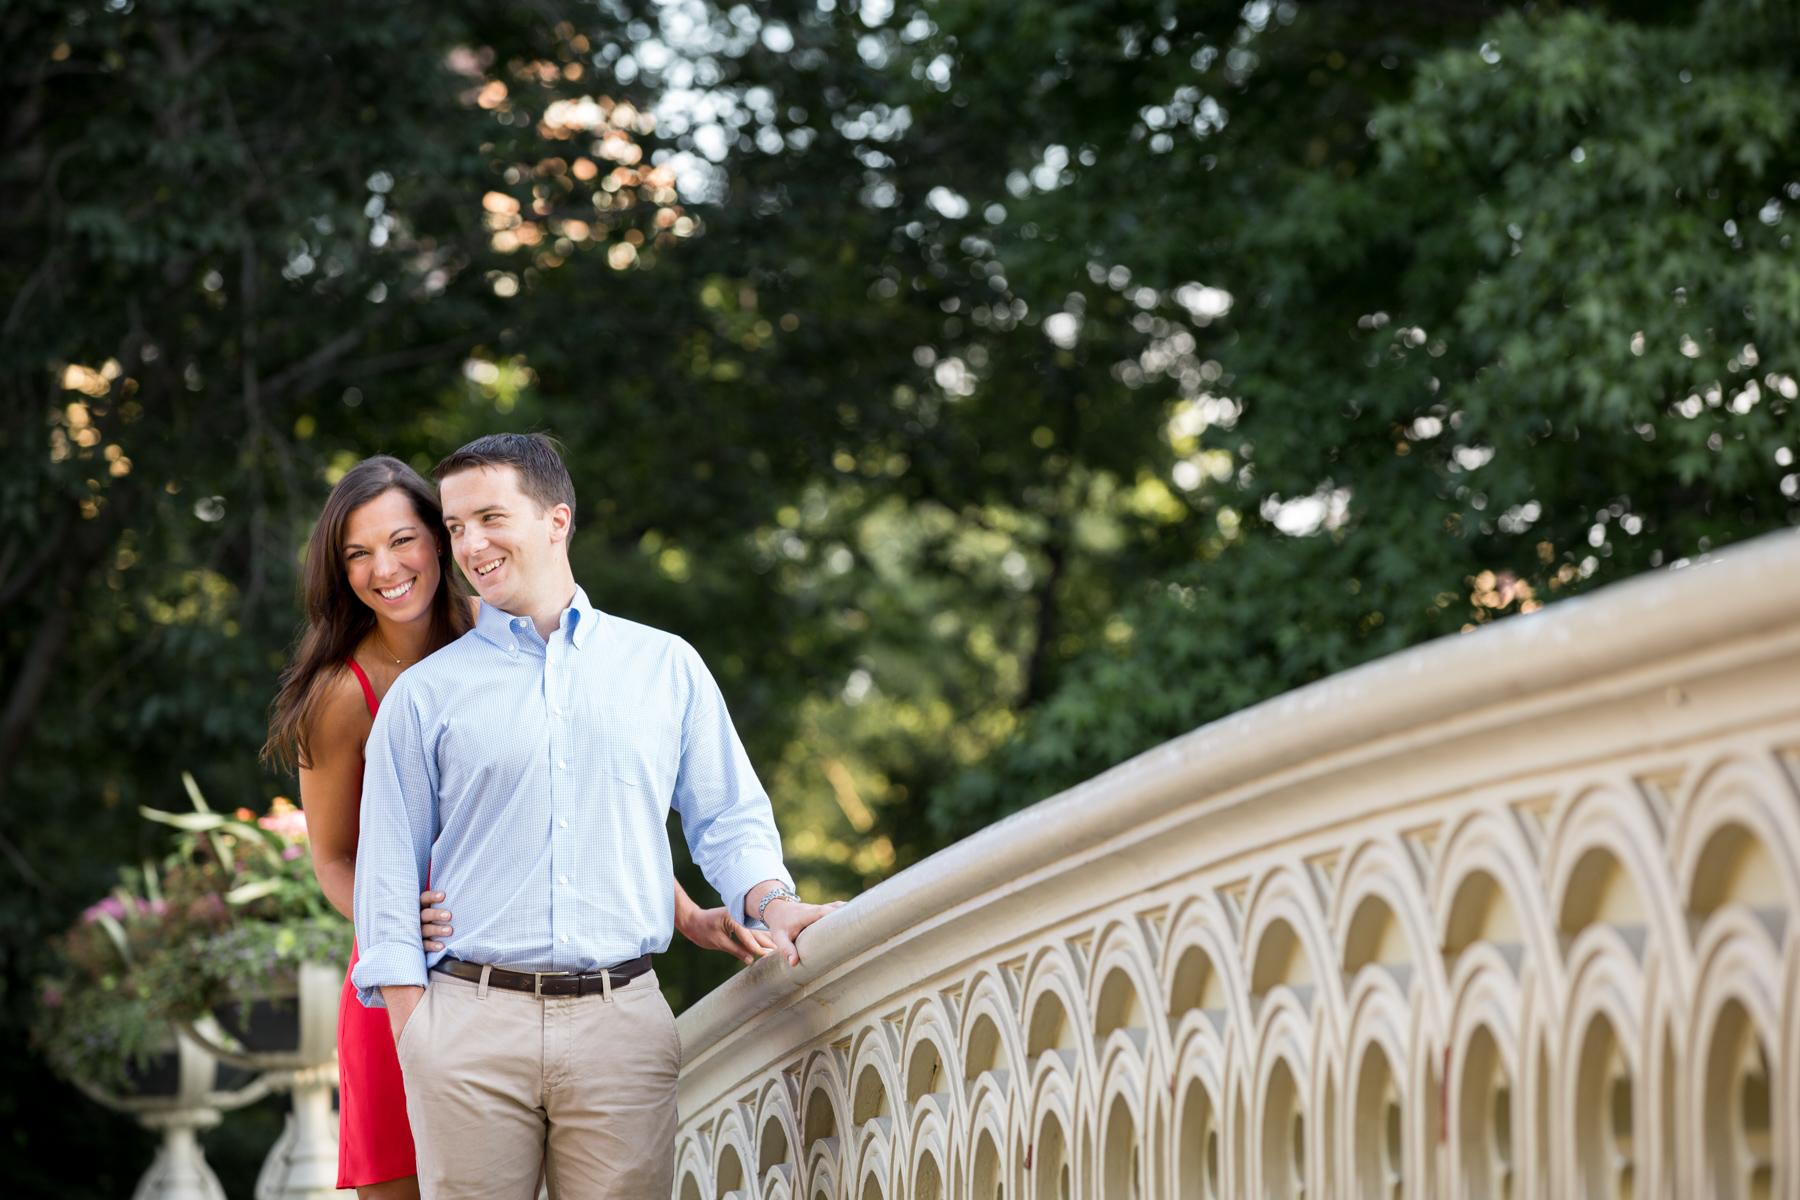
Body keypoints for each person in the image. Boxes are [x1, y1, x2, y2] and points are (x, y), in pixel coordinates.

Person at [265, 455, 773, 1200]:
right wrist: (403, 943)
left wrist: (688, 911)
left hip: (580, 1001)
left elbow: (577, 810)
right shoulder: (349, 693)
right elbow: (340, 858)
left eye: (405, 539)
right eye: (358, 553)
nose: (386, 566)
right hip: (420, 975)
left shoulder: (516, 627)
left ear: (437, 547)